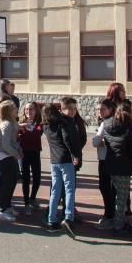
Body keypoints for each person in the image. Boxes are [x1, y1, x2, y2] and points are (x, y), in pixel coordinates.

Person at [102, 100, 132, 233]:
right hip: (123, 165)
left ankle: (118, 220)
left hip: (110, 164)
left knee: (116, 194)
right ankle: (119, 225)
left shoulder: (106, 124)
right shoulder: (129, 128)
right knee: (122, 197)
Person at [44, 102, 80, 238]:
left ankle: (51, 220)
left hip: (54, 161)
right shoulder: (62, 123)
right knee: (69, 188)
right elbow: (66, 139)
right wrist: (74, 154)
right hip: (65, 159)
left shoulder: (46, 126)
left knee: (55, 190)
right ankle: (68, 217)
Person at [0, 100, 22, 222]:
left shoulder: (11, 123)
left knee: (12, 179)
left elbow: (12, 142)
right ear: (9, 111)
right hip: (4, 156)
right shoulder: (6, 124)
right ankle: (2, 210)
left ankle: (7, 205)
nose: (16, 109)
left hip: (7, 155)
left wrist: (18, 150)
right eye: (14, 108)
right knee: (7, 183)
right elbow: (5, 145)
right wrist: (16, 154)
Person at [92, 98, 118, 229]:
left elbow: (95, 142)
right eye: (97, 109)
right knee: (110, 188)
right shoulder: (111, 121)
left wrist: (98, 140)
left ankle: (109, 216)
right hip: (111, 159)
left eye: (102, 109)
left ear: (110, 109)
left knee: (105, 188)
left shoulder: (105, 124)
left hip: (105, 159)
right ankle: (112, 215)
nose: (99, 111)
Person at [18, 101, 43, 215]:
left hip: (35, 152)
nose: (28, 111)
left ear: (36, 110)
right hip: (23, 154)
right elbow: (16, 136)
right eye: (27, 109)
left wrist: (28, 130)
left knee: (37, 178)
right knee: (26, 179)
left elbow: (37, 134)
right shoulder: (20, 123)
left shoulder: (39, 123)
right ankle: (26, 203)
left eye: (31, 109)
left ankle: (32, 198)